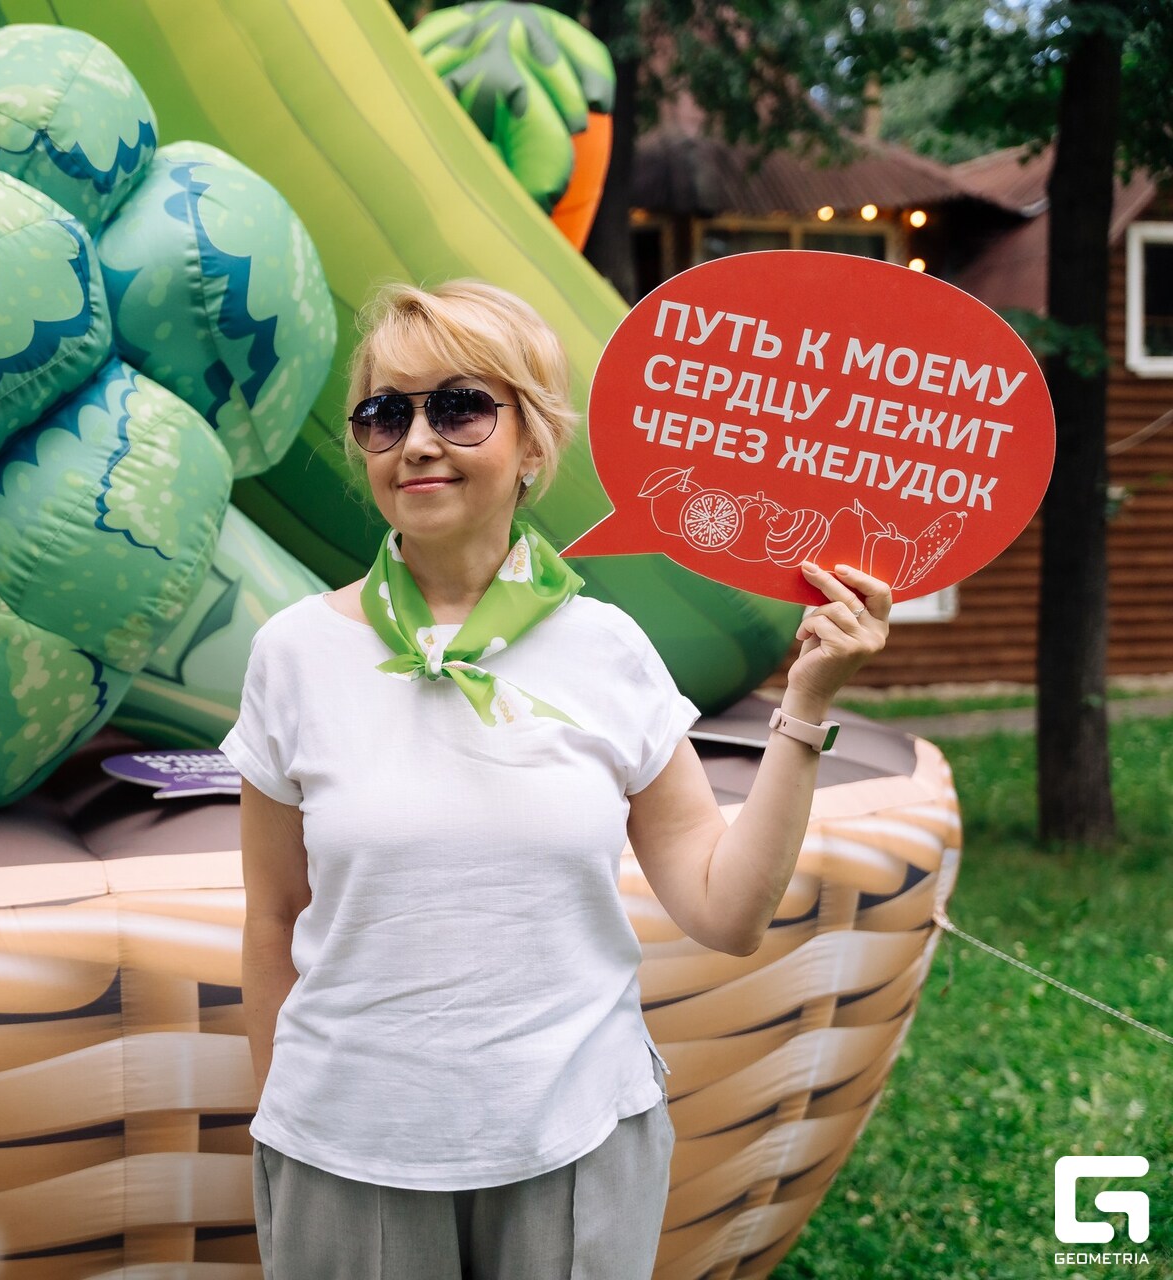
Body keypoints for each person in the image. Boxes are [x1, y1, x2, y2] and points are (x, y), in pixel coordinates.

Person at [220, 279, 892, 1280]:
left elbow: (727, 910)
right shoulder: (292, 653)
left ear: (533, 442)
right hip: (347, 1151)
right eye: (384, 413)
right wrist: (286, 1114)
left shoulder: (607, 648)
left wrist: (806, 704)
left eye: (460, 407)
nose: (417, 441)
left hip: (578, 1139)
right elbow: (273, 916)